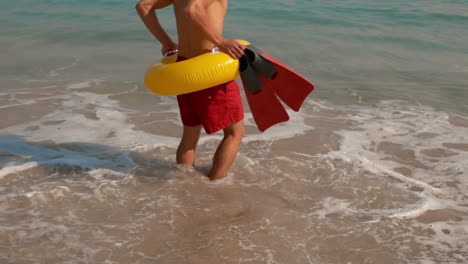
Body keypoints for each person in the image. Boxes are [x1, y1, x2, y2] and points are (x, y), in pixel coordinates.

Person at [136, 0, 246, 180]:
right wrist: (221, 42)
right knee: (235, 132)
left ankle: (184, 185)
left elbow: (143, 6)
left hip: (184, 66)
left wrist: (167, 43)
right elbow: (192, 9)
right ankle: (215, 188)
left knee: (190, 135)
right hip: (207, 72)